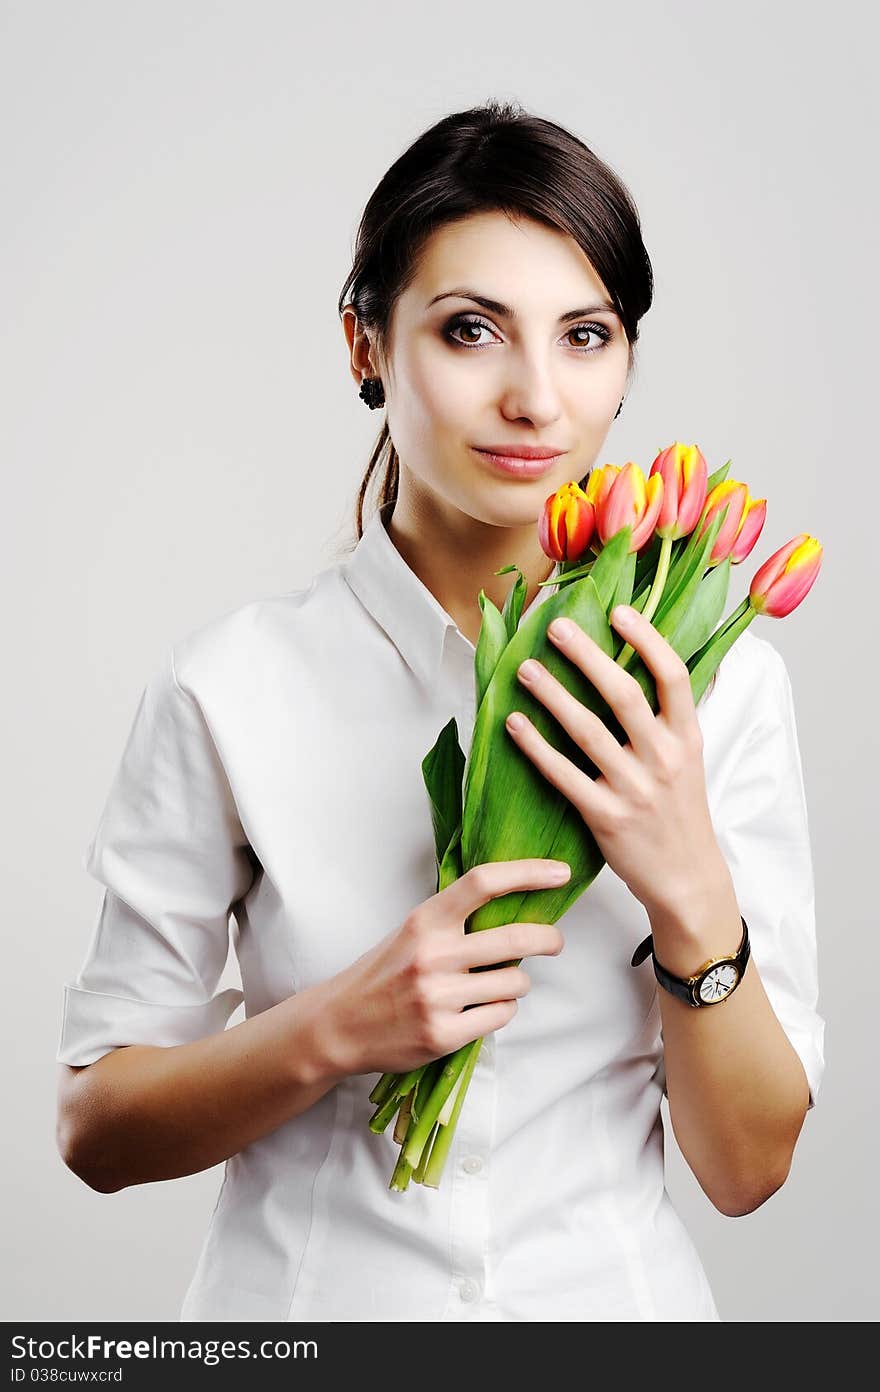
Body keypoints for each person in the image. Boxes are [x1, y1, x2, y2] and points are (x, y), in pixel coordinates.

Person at [55, 100, 825, 1323]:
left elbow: (746, 1172)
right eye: (471, 330)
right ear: (365, 345)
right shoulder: (232, 685)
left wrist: (689, 890)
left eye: (585, 334)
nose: (535, 398)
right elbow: (96, 1127)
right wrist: (335, 1028)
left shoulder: (717, 689)